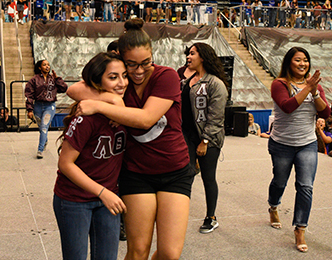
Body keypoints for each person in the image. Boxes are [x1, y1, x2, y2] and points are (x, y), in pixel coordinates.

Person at [67, 18, 193, 260]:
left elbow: (146, 119)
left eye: (145, 63)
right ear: (121, 60)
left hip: (175, 170)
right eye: (131, 64)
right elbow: (73, 90)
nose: (138, 71)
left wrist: (99, 105)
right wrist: (113, 100)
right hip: (137, 173)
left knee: (169, 253)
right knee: (137, 251)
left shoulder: (166, 77)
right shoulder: (119, 85)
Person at [54, 52, 128, 260]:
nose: (122, 83)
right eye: (113, 77)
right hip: (75, 200)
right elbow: (65, 164)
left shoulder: (126, 110)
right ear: (97, 82)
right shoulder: (87, 116)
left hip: (108, 199)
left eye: (124, 75)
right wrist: (103, 192)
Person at [267, 47, 330, 253]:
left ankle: (300, 228)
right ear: (289, 63)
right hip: (282, 144)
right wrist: (308, 88)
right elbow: (287, 106)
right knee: (280, 181)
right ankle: (273, 205)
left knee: (305, 186)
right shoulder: (279, 84)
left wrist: (314, 91)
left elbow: (326, 112)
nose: (302, 64)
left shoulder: (314, 86)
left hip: (307, 143)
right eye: (298, 60)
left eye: (305, 60)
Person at [181, 42, 228, 234]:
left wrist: (205, 141)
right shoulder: (186, 80)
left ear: (203, 56)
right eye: (188, 54)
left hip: (207, 139)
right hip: (186, 137)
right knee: (185, 177)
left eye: (192, 54)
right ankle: (179, 214)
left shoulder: (215, 84)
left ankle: (211, 217)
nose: (188, 57)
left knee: (208, 178)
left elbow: (216, 117)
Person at [25, 59, 69, 159]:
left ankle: (40, 150)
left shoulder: (53, 79)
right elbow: (29, 94)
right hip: (38, 106)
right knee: (42, 128)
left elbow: (64, 88)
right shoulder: (34, 79)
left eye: (48, 65)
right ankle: (44, 140)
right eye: (44, 65)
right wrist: (30, 109)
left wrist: (57, 78)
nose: (47, 66)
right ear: (40, 67)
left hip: (50, 105)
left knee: (44, 126)